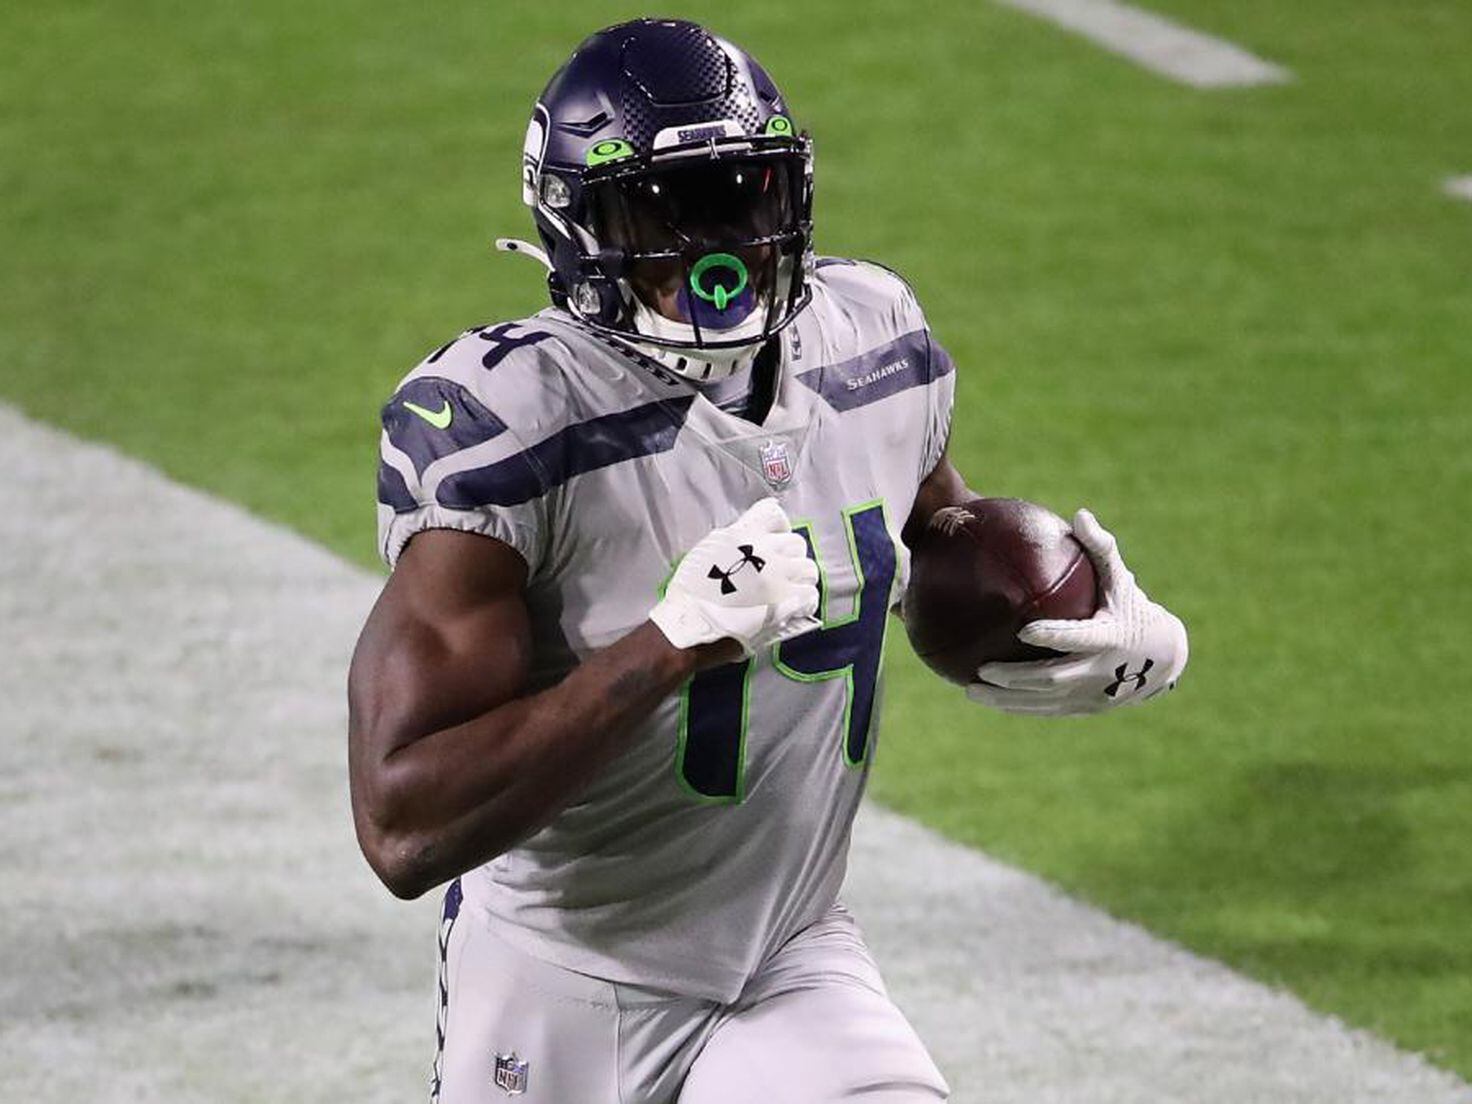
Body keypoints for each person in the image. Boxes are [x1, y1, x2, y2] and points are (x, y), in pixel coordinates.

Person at [348, 18, 1188, 1103]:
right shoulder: (511, 423)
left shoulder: (870, 342)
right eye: (660, 207)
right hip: (565, 972)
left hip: (789, 954)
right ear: (575, 226)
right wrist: (666, 646)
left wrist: (1087, 628)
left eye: (740, 193)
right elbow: (402, 828)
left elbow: (923, 539)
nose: (711, 244)